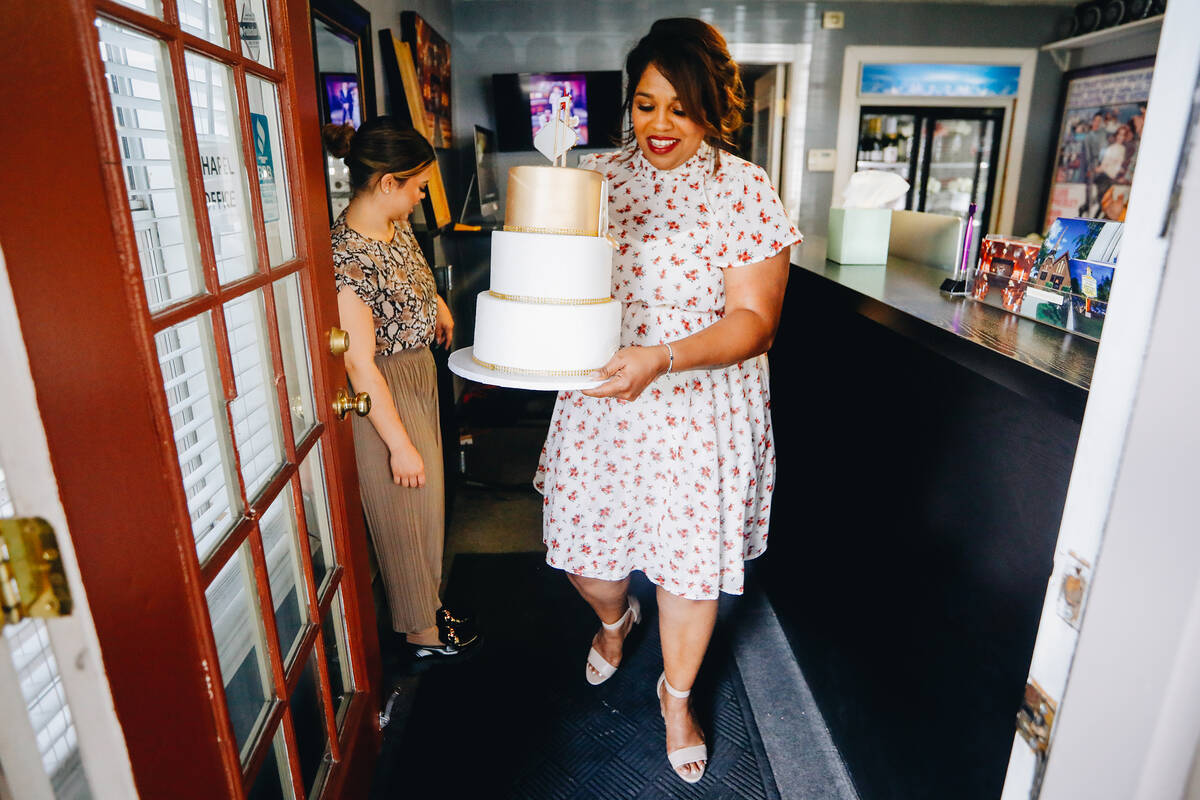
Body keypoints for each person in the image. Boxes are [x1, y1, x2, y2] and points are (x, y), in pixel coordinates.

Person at [533, 18, 801, 785]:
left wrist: (663, 357)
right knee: (589, 560)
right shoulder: (595, 179)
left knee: (688, 576)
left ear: (713, 109)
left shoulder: (744, 189)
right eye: (646, 105)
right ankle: (616, 622)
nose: (659, 125)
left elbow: (755, 322)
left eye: (679, 109)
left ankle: (676, 697)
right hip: (603, 403)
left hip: (699, 408)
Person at [322, 117, 478, 665]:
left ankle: (428, 605)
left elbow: (413, 273)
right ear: (387, 183)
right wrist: (399, 444)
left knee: (429, 506)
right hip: (384, 396)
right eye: (416, 187)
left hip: (418, 378)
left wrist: (434, 302)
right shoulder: (345, 260)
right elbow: (360, 367)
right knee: (404, 512)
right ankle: (419, 631)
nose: (420, 197)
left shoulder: (395, 227)